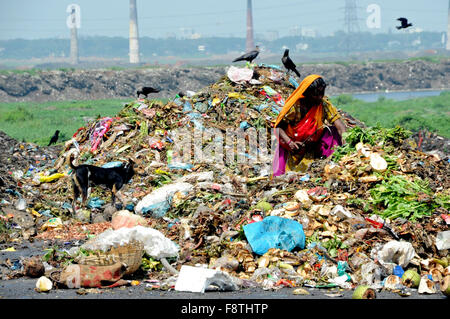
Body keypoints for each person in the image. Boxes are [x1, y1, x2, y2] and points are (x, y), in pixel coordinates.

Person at [272, 74, 347, 176]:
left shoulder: (323, 105)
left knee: (333, 131)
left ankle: (330, 161)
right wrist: (290, 143)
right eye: (315, 94)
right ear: (307, 93)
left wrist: (345, 139)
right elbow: (278, 128)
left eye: (322, 93)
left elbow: (339, 125)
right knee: (288, 176)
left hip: (312, 144)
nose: (320, 97)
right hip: (293, 146)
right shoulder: (295, 106)